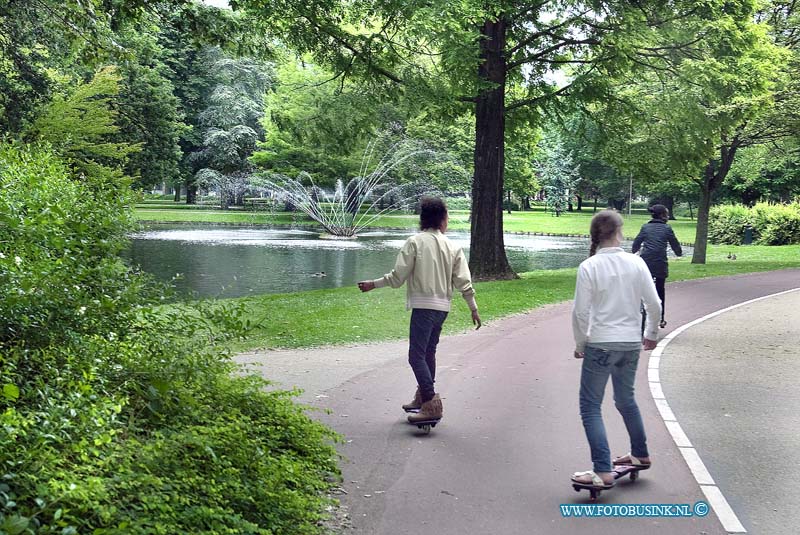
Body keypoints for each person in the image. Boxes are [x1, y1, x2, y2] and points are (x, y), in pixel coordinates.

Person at [357, 197, 481, 423]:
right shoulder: (453, 246)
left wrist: (373, 284)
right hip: (442, 308)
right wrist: (473, 307)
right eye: (447, 217)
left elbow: (397, 278)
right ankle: (423, 396)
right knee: (428, 353)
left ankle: (431, 401)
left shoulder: (414, 242)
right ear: (442, 220)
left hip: (424, 307)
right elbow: (464, 281)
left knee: (416, 355)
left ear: (423, 219)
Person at [570, 210, 661, 490]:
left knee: (590, 407)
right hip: (631, 343)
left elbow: (580, 313)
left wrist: (580, 343)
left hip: (601, 343)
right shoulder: (636, 263)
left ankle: (602, 469)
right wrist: (651, 334)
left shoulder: (590, 266)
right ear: (619, 232)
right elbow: (654, 304)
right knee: (625, 400)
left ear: (596, 234)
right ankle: (640, 453)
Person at [632, 204, 682, 328]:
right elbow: (674, 244)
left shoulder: (645, 227)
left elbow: (636, 243)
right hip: (660, 263)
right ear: (662, 215)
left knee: (641, 289)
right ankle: (660, 318)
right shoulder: (667, 228)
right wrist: (678, 253)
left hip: (645, 263)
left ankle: (636, 314)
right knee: (660, 290)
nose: (668, 216)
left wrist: (634, 251)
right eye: (667, 214)